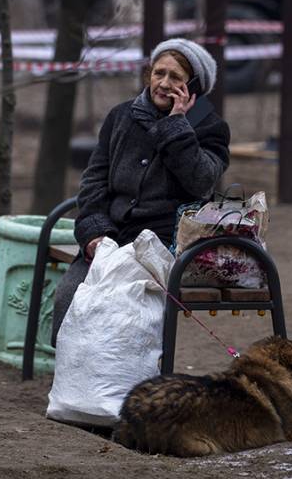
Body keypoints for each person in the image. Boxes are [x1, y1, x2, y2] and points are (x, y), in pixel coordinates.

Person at [51, 38, 231, 346]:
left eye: (175, 78)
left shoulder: (210, 128)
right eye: (158, 73)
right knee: (71, 300)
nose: (163, 83)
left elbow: (201, 181)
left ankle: (123, 384)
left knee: (120, 309)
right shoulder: (121, 117)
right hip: (111, 234)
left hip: (163, 243)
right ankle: (77, 379)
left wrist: (177, 126)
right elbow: (94, 181)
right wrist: (94, 233)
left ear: (194, 86)